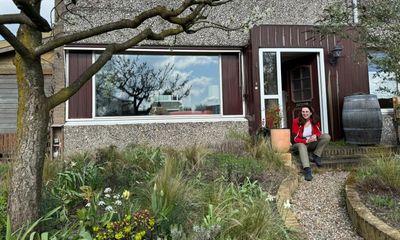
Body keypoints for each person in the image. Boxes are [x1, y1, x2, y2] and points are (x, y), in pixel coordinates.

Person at [291, 105, 331, 181]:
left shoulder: (315, 120)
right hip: (299, 144)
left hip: (311, 143)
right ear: (301, 112)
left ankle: (316, 155)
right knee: (302, 146)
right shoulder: (296, 121)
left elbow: (319, 132)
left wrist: (315, 136)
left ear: (311, 113)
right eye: (303, 112)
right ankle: (307, 170)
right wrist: (306, 141)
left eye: (307, 112)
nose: (305, 113)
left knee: (326, 136)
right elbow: (295, 138)